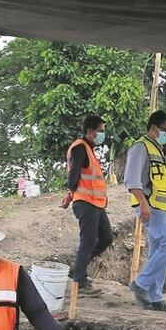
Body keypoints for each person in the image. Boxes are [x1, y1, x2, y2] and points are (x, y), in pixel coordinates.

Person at [125, 110, 166, 311]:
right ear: (153, 128)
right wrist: (143, 204)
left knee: (157, 251)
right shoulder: (140, 147)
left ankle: (154, 297)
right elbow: (132, 180)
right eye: (165, 130)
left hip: (162, 207)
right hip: (151, 208)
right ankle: (141, 283)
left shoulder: (157, 149)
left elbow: (156, 181)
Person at [64, 114, 113, 296]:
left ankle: (78, 268)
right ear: (91, 132)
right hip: (86, 203)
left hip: (95, 204)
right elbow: (73, 178)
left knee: (106, 237)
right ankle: (80, 279)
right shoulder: (80, 149)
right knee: (89, 240)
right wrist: (72, 194)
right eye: (101, 131)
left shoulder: (88, 149)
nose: (103, 134)